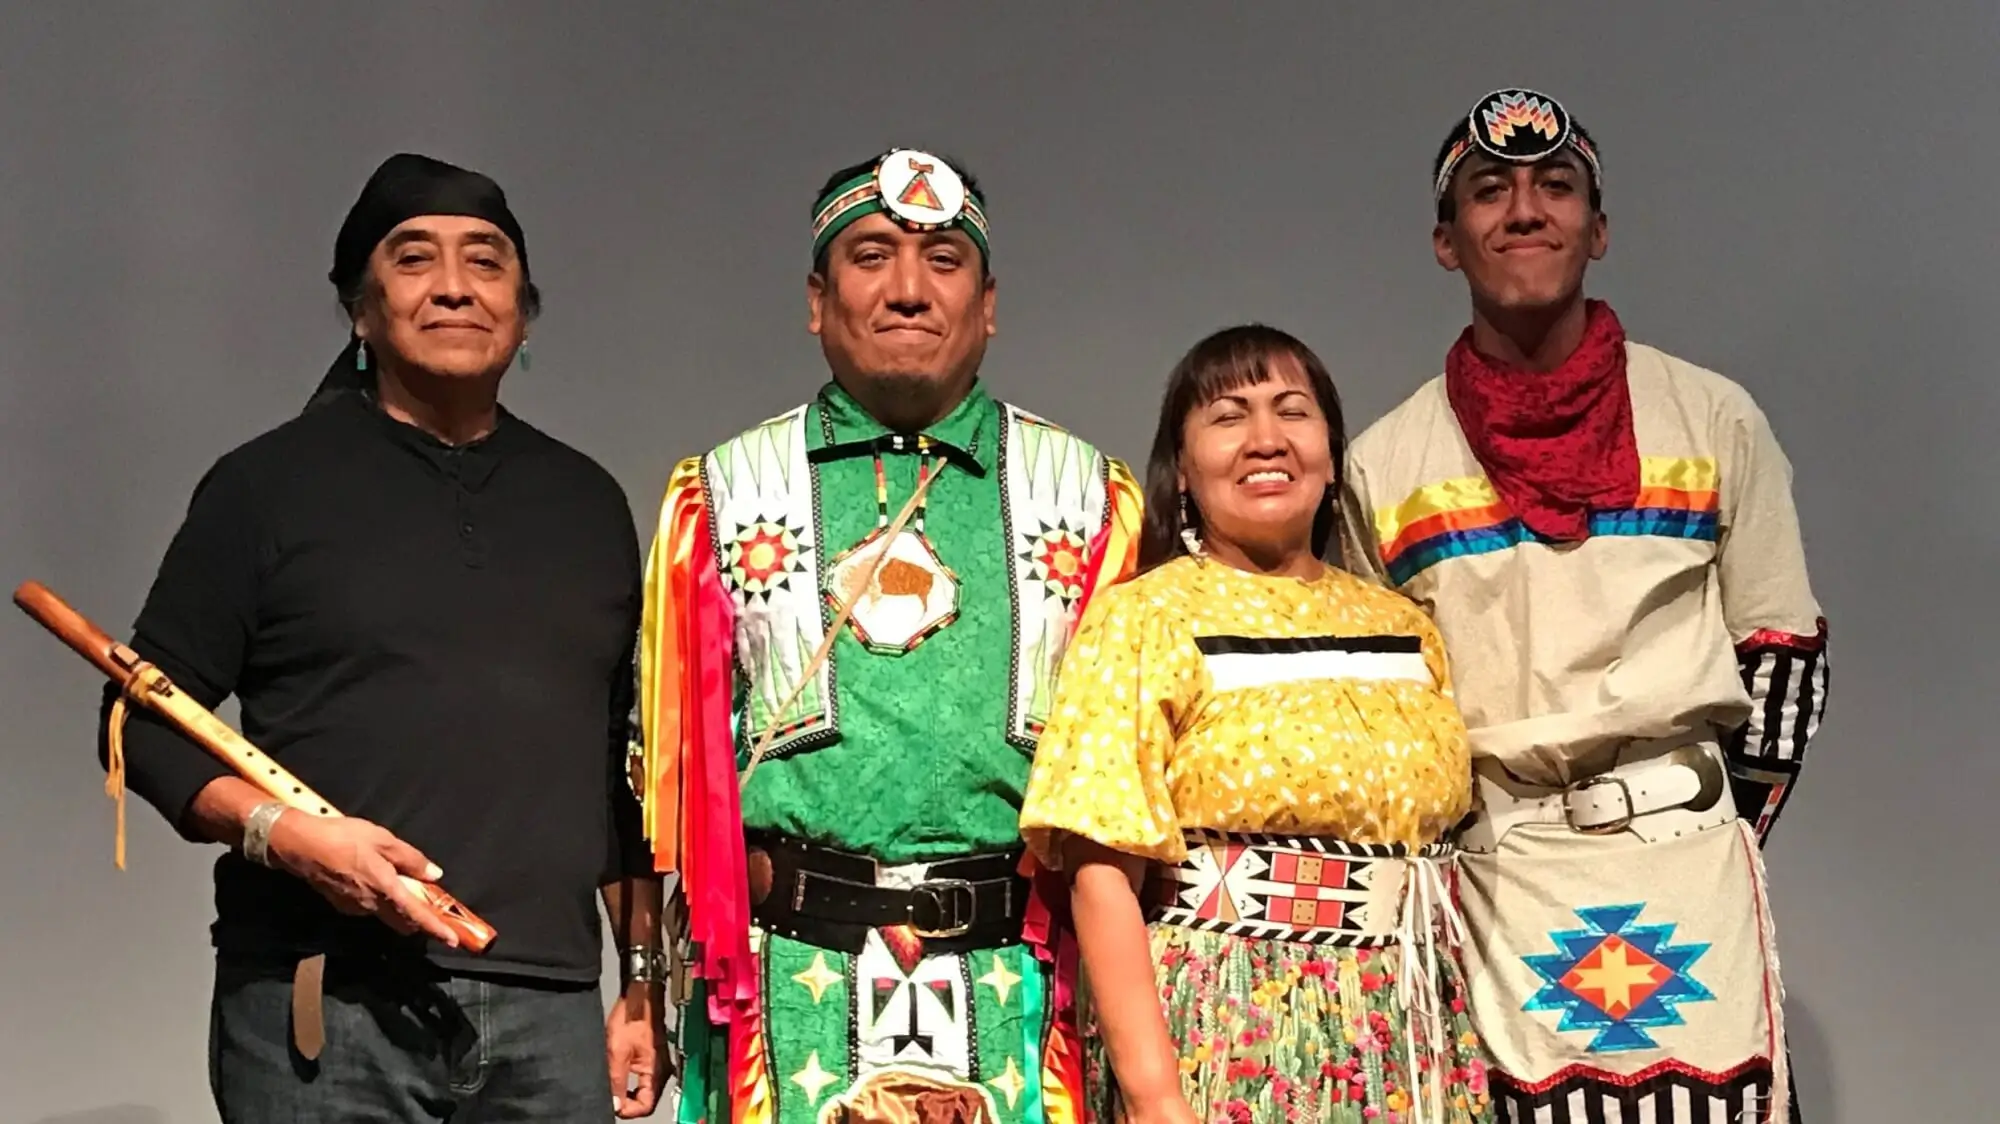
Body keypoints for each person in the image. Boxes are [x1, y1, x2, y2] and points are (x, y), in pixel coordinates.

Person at [99, 152, 669, 1122]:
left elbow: (623, 774)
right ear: (362, 310)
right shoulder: (264, 488)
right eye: (415, 259)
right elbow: (140, 721)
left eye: (485, 262)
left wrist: (642, 984)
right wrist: (286, 836)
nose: (454, 285)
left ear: (522, 310)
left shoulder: (588, 501)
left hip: (550, 1014)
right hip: (320, 1004)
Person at [1340, 89, 1829, 1123]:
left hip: (1683, 860)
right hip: (1499, 880)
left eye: (1553, 187)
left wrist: (1709, 825)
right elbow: (1377, 715)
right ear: (1445, 240)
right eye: (1489, 190)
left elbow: (1782, 651)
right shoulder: (1384, 465)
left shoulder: (1709, 418)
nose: (1523, 210)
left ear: (1596, 229)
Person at [632, 147, 1142, 1124]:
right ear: (816, 301)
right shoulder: (725, 496)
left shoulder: (1088, 498)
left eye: (943, 259)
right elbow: (663, 788)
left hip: (1026, 995)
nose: (908, 289)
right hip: (789, 989)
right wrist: (650, 983)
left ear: (988, 303)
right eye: (871, 255)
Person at [1018, 325, 1492, 1124]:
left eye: (1292, 412)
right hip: (1229, 1023)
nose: (1265, 439)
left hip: (1415, 1027)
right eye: (1228, 416)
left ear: (1333, 453)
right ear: (1182, 467)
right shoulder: (1145, 618)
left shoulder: (1405, 625)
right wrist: (1155, 1096)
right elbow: (1101, 870)